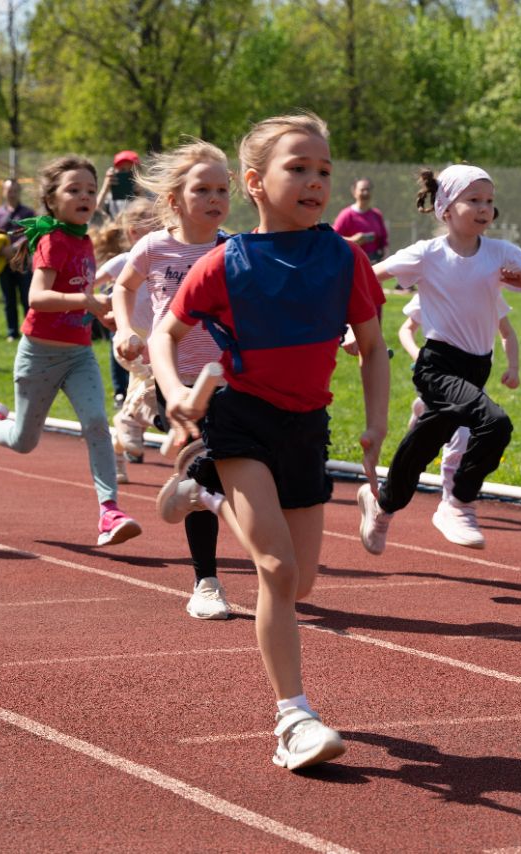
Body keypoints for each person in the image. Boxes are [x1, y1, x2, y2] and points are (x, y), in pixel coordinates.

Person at [149, 114, 389, 770]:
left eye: (323, 171)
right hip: (242, 423)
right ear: (254, 182)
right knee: (276, 571)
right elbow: (165, 336)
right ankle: (294, 719)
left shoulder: (345, 259)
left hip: (306, 429)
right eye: (298, 168)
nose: (315, 182)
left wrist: (376, 421)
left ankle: (202, 489)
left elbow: (372, 348)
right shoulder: (227, 263)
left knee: (301, 582)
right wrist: (172, 390)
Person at [360, 165, 521, 553]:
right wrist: (352, 324)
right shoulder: (427, 253)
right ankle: (458, 502)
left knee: (422, 443)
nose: (484, 208)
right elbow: (369, 277)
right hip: (437, 364)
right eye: (474, 200)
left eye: (489, 201)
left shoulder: (502, 251)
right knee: (495, 423)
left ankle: (382, 505)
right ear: (446, 208)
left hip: (476, 366)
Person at [0, 155, 142, 548]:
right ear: (51, 199)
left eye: (91, 190)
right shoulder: (52, 240)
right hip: (40, 355)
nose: (85, 196)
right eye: (74, 190)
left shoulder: (83, 240)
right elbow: (38, 298)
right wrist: (86, 300)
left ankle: (109, 510)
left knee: (97, 422)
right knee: (25, 441)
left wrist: (102, 315)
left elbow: (83, 299)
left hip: (78, 355)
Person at [111, 139, 234, 620]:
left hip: (233, 378)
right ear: (174, 199)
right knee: (205, 460)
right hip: (175, 380)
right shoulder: (154, 246)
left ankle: (193, 487)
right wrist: (125, 328)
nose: (214, 199)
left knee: (228, 467)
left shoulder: (234, 248)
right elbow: (123, 286)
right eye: (202, 189)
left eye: (222, 189)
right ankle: (206, 581)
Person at [397, 291, 520, 542]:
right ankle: (450, 499)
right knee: (461, 435)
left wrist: (513, 367)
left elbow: (506, 332)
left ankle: (422, 408)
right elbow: (406, 329)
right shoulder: (433, 288)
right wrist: (417, 355)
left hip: (473, 380)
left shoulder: (488, 294)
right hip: (438, 376)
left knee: (464, 428)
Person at [92, 197, 157, 474]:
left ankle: (117, 448)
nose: (163, 234)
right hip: (130, 340)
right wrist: (100, 309)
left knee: (140, 396)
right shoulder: (122, 262)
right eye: (154, 229)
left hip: (157, 340)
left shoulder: (163, 261)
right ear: (134, 234)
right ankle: (129, 420)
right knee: (154, 384)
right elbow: (88, 286)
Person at [0, 178, 36, 340]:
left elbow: (32, 233)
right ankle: (12, 332)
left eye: (15, 191)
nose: (12, 194)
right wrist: (2, 249)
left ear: (19, 192)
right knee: (8, 300)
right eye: (9, 190)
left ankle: (30, 330)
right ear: (3, 192)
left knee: (26, 298)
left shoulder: (28, 213)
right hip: (3, 262)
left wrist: (15, 248)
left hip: (22, 262)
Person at [332, 177, 389, 262]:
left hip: (374, 262)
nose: (365, 193)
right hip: (352, 262)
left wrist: (385, 257)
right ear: (354, 192)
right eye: (362, 190)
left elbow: (383, 241)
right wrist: (353, 240)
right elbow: (334, 239)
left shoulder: (377, 215)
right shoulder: (346, 215)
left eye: (368, 190)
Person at [96, 150, 140, 221]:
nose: (126, 174)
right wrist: (105, 188)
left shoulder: (149, 194)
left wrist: (141, 196)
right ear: (115, 171)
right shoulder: (109, 198)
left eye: (131, 171)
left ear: (139, 172)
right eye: (122, 170)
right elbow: (93, 214)